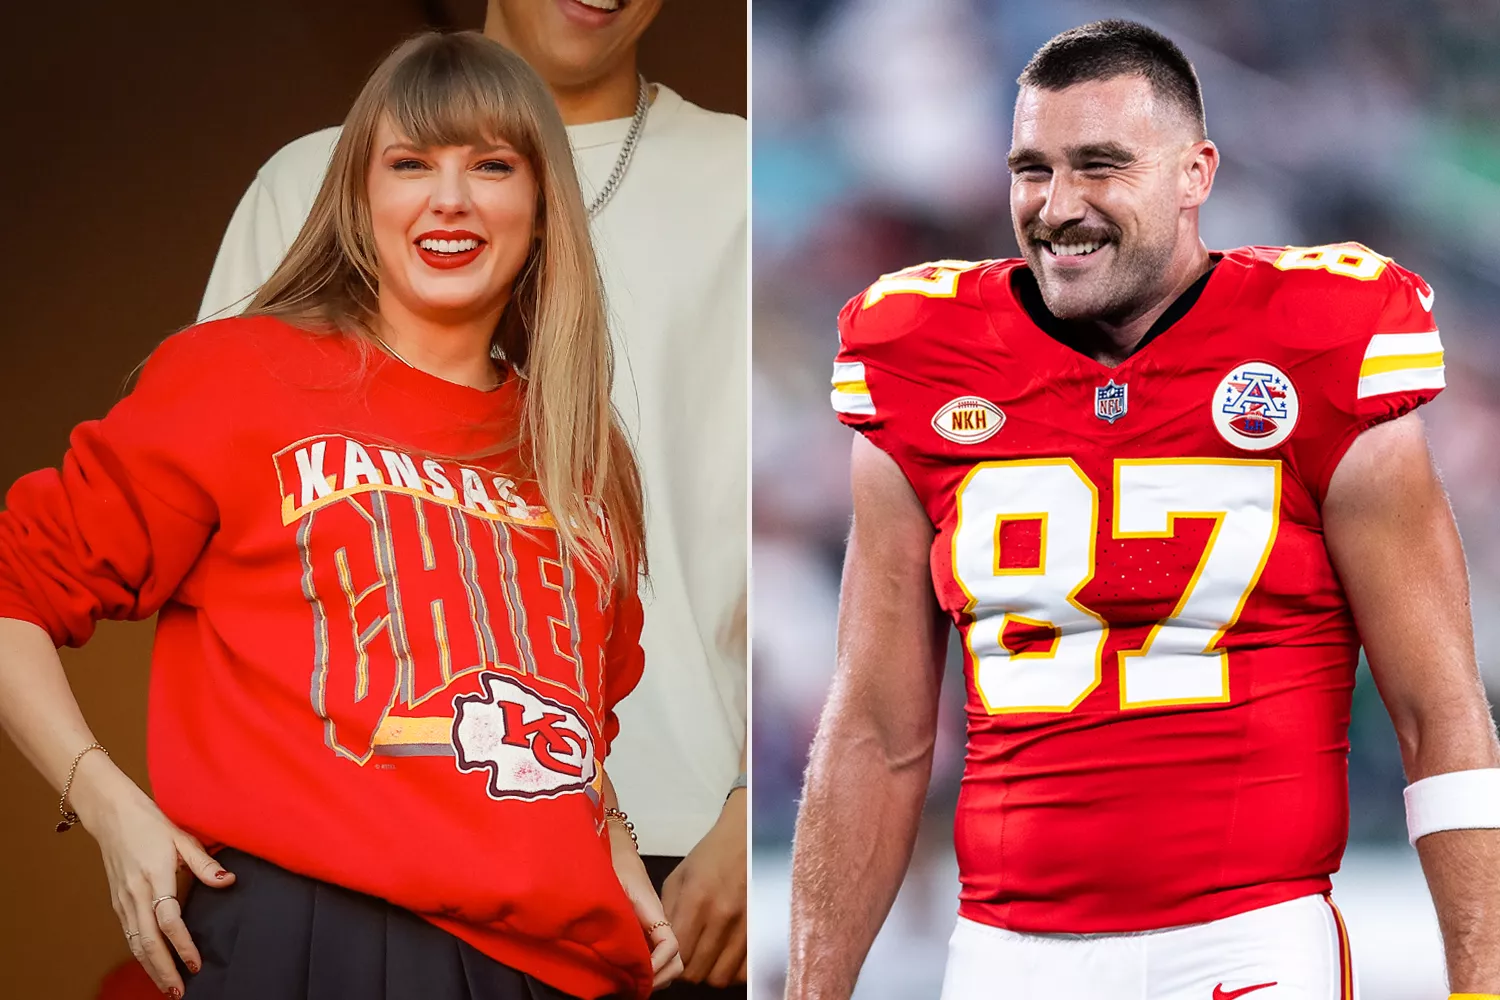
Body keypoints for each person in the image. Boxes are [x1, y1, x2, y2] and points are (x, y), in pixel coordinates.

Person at [787, 19, 1500, 1000]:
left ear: (1194, 174)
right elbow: (876, 730)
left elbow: (1438, 711)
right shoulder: (920, 354)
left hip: (1247, 942)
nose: (1058, 206)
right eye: (1031, 169)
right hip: (1003, 952)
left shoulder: (1321, 342)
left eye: (1100, 165)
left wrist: (1481, 982)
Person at [0, 31, 682, 1000]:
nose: (450, 197)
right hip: (309, 931)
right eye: (411, 164)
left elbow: (577, 710)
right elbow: (14, 587)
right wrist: (108, 806)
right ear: (362, 198)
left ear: (540, 206)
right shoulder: (236, 374)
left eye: (491, 165)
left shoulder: (580, 446)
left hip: (556, 964)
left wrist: (608, 830)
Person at [199, 4, 748, 991]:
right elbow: (223, 530)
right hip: (366, 851)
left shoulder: (748, 175)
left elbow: (843, 509)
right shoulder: (310, 182)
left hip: (696, 852)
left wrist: (771, 810)